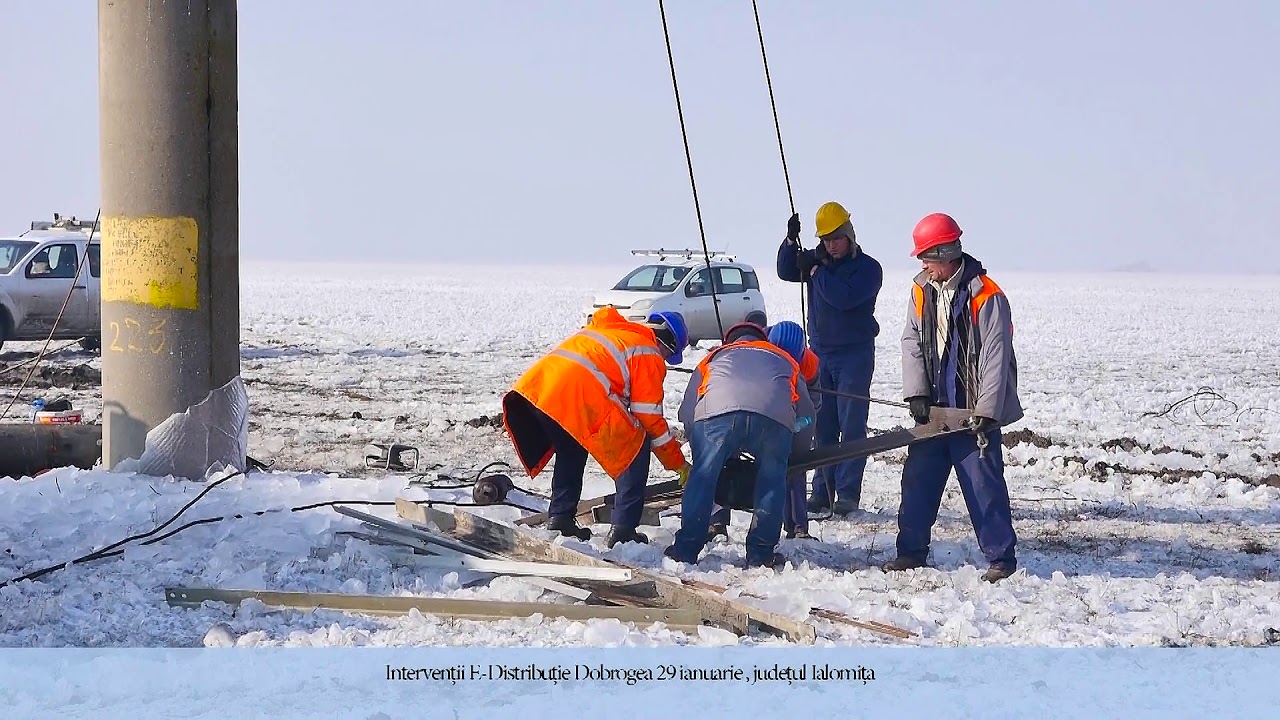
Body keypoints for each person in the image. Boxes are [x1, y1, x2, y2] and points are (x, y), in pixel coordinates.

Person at [881, 212, 1023, 583]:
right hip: (934, 413)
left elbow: (995, 355)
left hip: (972, 414)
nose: (922, 265)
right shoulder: (920, 291)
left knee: (983, 487)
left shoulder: (987, 296)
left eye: (926, 257)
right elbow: (911, 340)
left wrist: (987, 411)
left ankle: (1001, 559)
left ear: (946, 253)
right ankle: (910, 553)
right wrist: (917, 393)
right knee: (918, 483)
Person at [502, 307, 692, 548]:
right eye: (669, 355)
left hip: (538, 392)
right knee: (634, 448)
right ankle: (623, 531)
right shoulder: (647, 350)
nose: (664, 359)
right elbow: (649, 417)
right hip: (580, 397)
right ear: (668, 343)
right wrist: (677, 462)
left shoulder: (610, 332)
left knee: (571, 450)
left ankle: (560, 518)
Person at [665, 320, 810, 568]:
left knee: (703, 477)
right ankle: (761, 554)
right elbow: (807, 414)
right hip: (773, 419)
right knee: (772, 478)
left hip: (716, 416)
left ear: (730, 341)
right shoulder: (785, 360)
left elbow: (687, 410)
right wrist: (793, 456)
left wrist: (701, 449)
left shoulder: (713, 357)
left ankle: (686, 549)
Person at [776, 202, 883, 516]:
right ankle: (822, 492)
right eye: (826, 239)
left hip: (854, 356)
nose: (831, 245)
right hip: (820, 355)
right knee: (822, 427)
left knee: (852, 426)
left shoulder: (868, 269)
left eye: (836, 238)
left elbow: (842, 298)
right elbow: (786, 270)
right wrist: (790, 242)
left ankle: (847, 495)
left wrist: (814, 270)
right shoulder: (820, 264)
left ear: (849, 235)